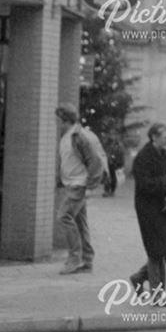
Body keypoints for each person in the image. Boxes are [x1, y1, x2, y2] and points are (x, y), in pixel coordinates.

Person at [129, 123, 166, 302]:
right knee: (156, 251)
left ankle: (139, 277)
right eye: (165, 137)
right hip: (149, 209)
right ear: (154, 137)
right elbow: (144, 184)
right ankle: (158, 295)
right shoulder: (143, 157)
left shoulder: (164, 153)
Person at [55, 103, 106, 275]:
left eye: (60, 120)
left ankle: (74, 258)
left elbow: (94, 161)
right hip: (72, 184)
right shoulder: (67, 136)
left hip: (78, 184)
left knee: (64, 216)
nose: (58, 124)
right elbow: (67, 161)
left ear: (66, 120)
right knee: (79, 222)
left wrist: (90, 185)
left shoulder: (79, 136)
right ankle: (87, 260)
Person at [103, 133, 124, 198]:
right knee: (111, 177)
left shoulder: (115, 147)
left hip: (112, 163)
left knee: (110, 177)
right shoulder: (118, 146)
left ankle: (109, 191)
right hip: (112, 164)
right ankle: (110, 191)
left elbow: (112, 155)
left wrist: (112, 160)